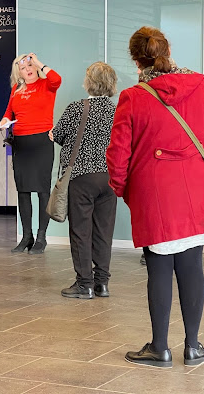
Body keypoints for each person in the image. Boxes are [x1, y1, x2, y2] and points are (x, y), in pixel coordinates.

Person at [106, 26, 204, 368]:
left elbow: (118, 155)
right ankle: (193, 347)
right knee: (192, 266)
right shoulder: (202, 85)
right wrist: (202, 168)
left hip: (154, 192)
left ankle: (159, 347)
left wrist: (124, 188)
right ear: (168, 51)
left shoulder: (133, 97)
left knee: (159, 270)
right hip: (196, 190)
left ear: (136, 60)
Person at [51, 62, 117, 299]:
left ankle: (84, 284)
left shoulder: (77, 108)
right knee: (103, 232)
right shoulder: (117, 111)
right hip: (109, 178)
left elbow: (57, 135)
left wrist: (53, 134)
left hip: (82, 176)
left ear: (89, 82)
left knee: (81, 231)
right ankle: (102, 283)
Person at [1, 53, 62, 255]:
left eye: (30, 65)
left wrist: (38, 62)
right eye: (22, 67)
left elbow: (57, 79)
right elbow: (9, 112)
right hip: (21, 144)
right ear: (18, 72)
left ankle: (41, 237)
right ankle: (27, 236)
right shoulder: (16, 89)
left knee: (42, 190)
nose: (27, 69)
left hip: (42, 142)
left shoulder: (47, 85)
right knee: (23, 190)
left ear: (35, 67)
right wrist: (3, 122)